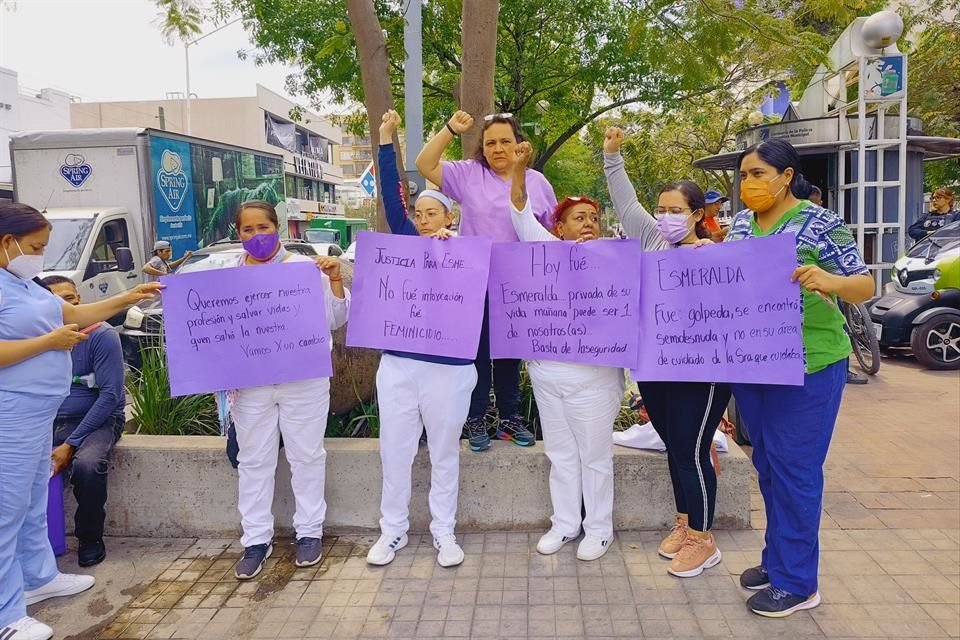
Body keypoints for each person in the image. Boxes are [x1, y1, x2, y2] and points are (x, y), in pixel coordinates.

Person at [726, 138, 873, 617]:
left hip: (809, 365)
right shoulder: (743, 222)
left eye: (758, 174)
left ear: (786, 176)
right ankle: (778, 560)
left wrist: (828, 280)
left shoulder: (820, 223)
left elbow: (865, 283)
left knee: (795, 470)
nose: (749, 184)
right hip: (753, 361)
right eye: (744, 176)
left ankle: (798, 583)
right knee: (768, 465)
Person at [0, 202, 160, 640]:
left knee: (33, 504)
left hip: (38, 412)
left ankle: (38, 578)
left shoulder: (25, 283)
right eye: (35, 246)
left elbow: (71, 315)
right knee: (5, 514)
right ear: (6, 242)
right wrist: (48, 343)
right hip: (9, 414)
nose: (40, 255)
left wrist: (127, 297)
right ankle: (5, 617)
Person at [603, 128, 732, 577]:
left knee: (694, 451)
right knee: (676, 448)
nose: (666, 216)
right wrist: (611, 155)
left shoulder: (721, 258)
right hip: (656, 367)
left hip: (703, 373)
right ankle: (685, 522)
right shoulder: (652, 240)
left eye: (676, 210)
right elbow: (624, 201)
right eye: (661, 209)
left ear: (697, 214)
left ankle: (703, 540)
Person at [364, 111, 474, 569]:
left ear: (450, 216)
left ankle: (444, 532)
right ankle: (392, 533)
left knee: (445, 453)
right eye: (422, 214)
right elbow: (393, 201)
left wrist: (457, 249)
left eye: (435, 214)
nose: (427, 220)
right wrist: (387, 143)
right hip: (400, 366)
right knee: (396, 451)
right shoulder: (406, 243)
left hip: (449, 371)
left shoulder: (468, 253)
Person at [506, 141, 624, 561]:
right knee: (560, 454)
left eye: (593, 217)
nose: (588, 223)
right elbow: (519, 208)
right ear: (559, 228)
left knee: (594, 457)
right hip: (547, 374)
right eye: (579, 218)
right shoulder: (544, 249)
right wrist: (520, 168)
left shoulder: (617, 261)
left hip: (594, 378)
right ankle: (565, 524)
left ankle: (599, 529)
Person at [416, 111, 558, 452]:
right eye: (490, 142)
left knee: (509, 357)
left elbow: (553, 231)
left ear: (519, 143)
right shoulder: (468, 174)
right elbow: (424, 163)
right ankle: (476, 418)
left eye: (505, 141)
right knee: (476, 355)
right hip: (473, 284)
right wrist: (451, 129)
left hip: (519, 288)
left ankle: (510, 419)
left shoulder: (537, 182)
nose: (497, 148)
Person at [226, 200, 350, 581]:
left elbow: (336, 319)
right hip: (251, 386)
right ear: (239, 234)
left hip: (303, 382)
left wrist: (333, 281)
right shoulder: (225, 278)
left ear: (277, 228)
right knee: (253, 461)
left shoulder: (304, 269)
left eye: (263, 227)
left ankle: (309, 532)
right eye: (248, 229)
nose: (257, 236)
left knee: (307, 455)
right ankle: (255, 539)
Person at [41, 276, 125, 569]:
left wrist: (71, 444)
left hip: (99, 419)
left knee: (88, 466)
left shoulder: (101, 336)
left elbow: (111, 396)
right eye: (57, 300)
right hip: (50, 420)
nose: (67, 306)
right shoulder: (38, 339)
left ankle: (89, 539)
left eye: (72, 299)